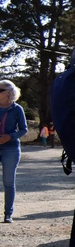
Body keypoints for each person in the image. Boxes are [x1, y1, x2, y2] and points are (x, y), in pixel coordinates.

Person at [0, 79, 28, 223]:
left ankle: (8, 214)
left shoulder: (17, 109)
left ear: (9, 93)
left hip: (10, 148)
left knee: (8, 181)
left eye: (1, 90)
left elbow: (24, 129)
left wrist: (10, 137)